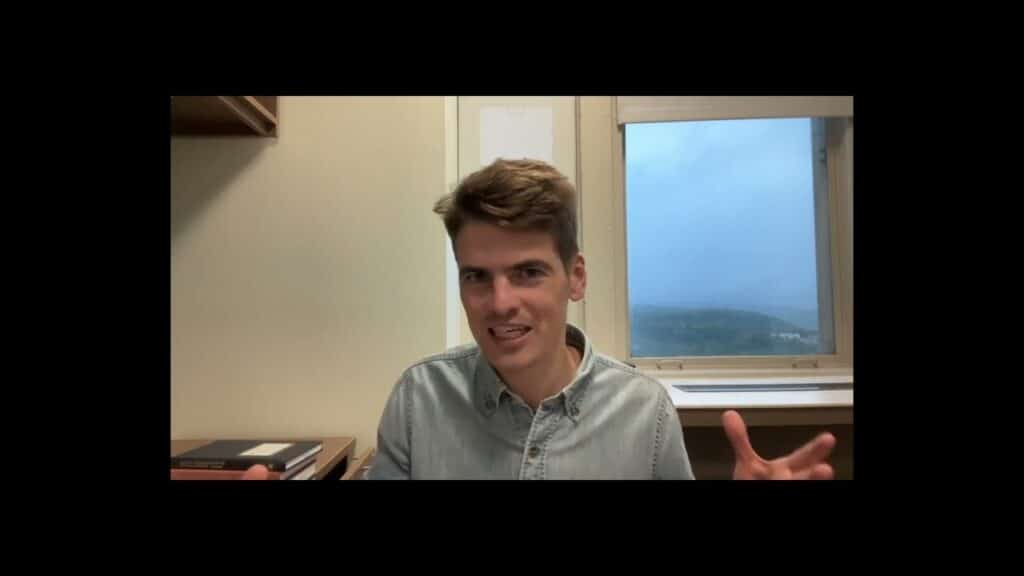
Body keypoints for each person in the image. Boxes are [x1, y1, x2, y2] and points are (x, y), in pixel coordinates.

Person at [245, 158, 836, 480]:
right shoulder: (419, 399)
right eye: (477, 276)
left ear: (575, 277)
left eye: (528, 273)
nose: (500, 302)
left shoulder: (643, 412)